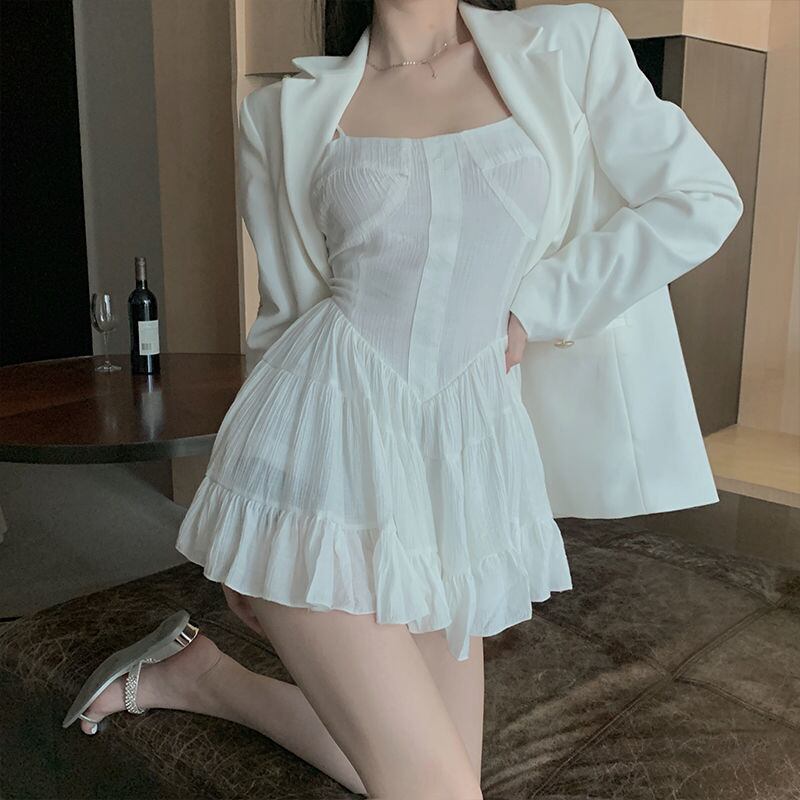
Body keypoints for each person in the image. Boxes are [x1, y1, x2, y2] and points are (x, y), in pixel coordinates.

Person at [63, 2, 743, 799]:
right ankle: (203, 668)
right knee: (435, 786)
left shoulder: (569, 48)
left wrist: (540, 307)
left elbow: (701, 197)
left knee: (429, 770)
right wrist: (252, 539)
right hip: (320, 456)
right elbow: (283, 320)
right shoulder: (281, 114)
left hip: (457, 472)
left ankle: (200, 677)